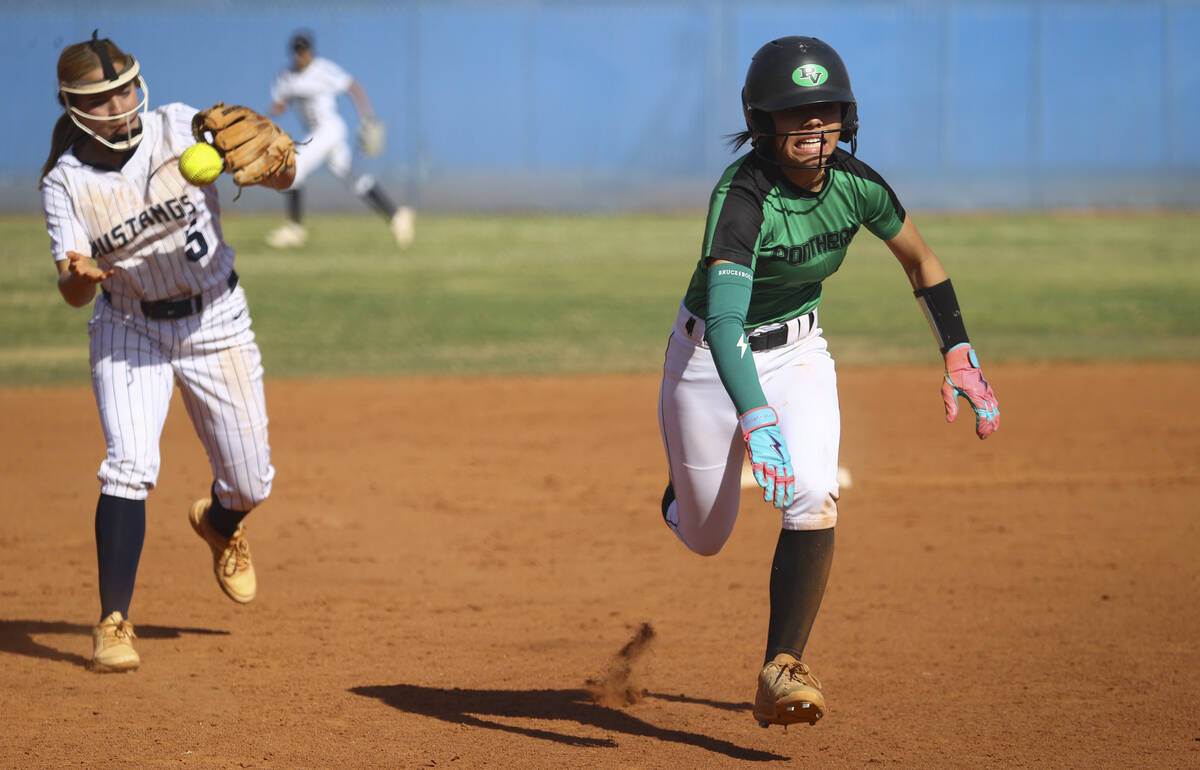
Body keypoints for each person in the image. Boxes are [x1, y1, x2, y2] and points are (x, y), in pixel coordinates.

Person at [656, 36, 999, 727]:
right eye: (795, 113)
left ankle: (782, 666)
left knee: (814, 494)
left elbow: (922, 261)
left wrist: (957, 351)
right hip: (707, 361)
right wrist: (756, 418)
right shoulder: (744, 196)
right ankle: (677, 500)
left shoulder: (857, 185)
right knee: (705, 535)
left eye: (826, 111)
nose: (813, 127)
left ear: (847, 116)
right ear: (761, 124)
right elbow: (726, 326)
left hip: (800, 353)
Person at [39, 32, 295, 672]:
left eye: (126, 87)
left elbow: (283, 173)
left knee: (252, 480)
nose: (120, 102)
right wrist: (79, 275)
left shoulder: (181, 127)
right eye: (102, 98)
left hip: (216, 319)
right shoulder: (65, 183)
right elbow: (72, 293)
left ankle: (222, 523)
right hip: (129, 326)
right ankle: (114, 622)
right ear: (74, 106)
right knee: (128, 463)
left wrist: (279, 161)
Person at [265, 30, 415, 249]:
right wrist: (276, 109)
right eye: (297, 51)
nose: (301, 55)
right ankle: (396, 215)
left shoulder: (322, 69)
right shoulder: (286, 75)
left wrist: (367, 117)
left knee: (294, 165)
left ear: (311, 51)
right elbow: (281, 101)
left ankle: (294, 229)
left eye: (304, 50)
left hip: (329, 129)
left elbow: (353, 86)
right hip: (319, 132)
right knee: (354, 179)